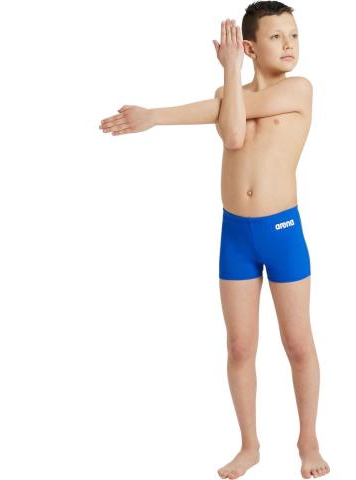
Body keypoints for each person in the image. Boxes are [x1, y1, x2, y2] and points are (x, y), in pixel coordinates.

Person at [99, 2, 330, 478]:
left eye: (294, 35)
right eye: (276, 36)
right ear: (249, 47)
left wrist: (162, 112)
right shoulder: (231, 94)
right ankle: (250, 446)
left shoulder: (300, 89)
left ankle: (308, 442)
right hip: (236, 234)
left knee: (297, 344)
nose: (289, 44)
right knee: (240, 346)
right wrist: (226, 76)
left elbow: (230, 125)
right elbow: (232, 131)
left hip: (282, 232)